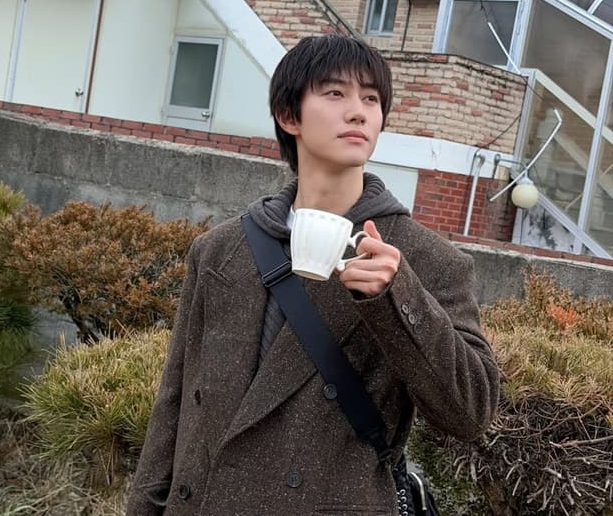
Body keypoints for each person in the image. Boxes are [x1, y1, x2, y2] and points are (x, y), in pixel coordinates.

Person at [126, 34, 499, 516]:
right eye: (335, 93)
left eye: (371, 99)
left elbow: (470, 413)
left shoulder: (426, 259)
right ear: (289, 116)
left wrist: (397, 294)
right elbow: (175, 404)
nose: (358, 111)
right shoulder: (220, 250)